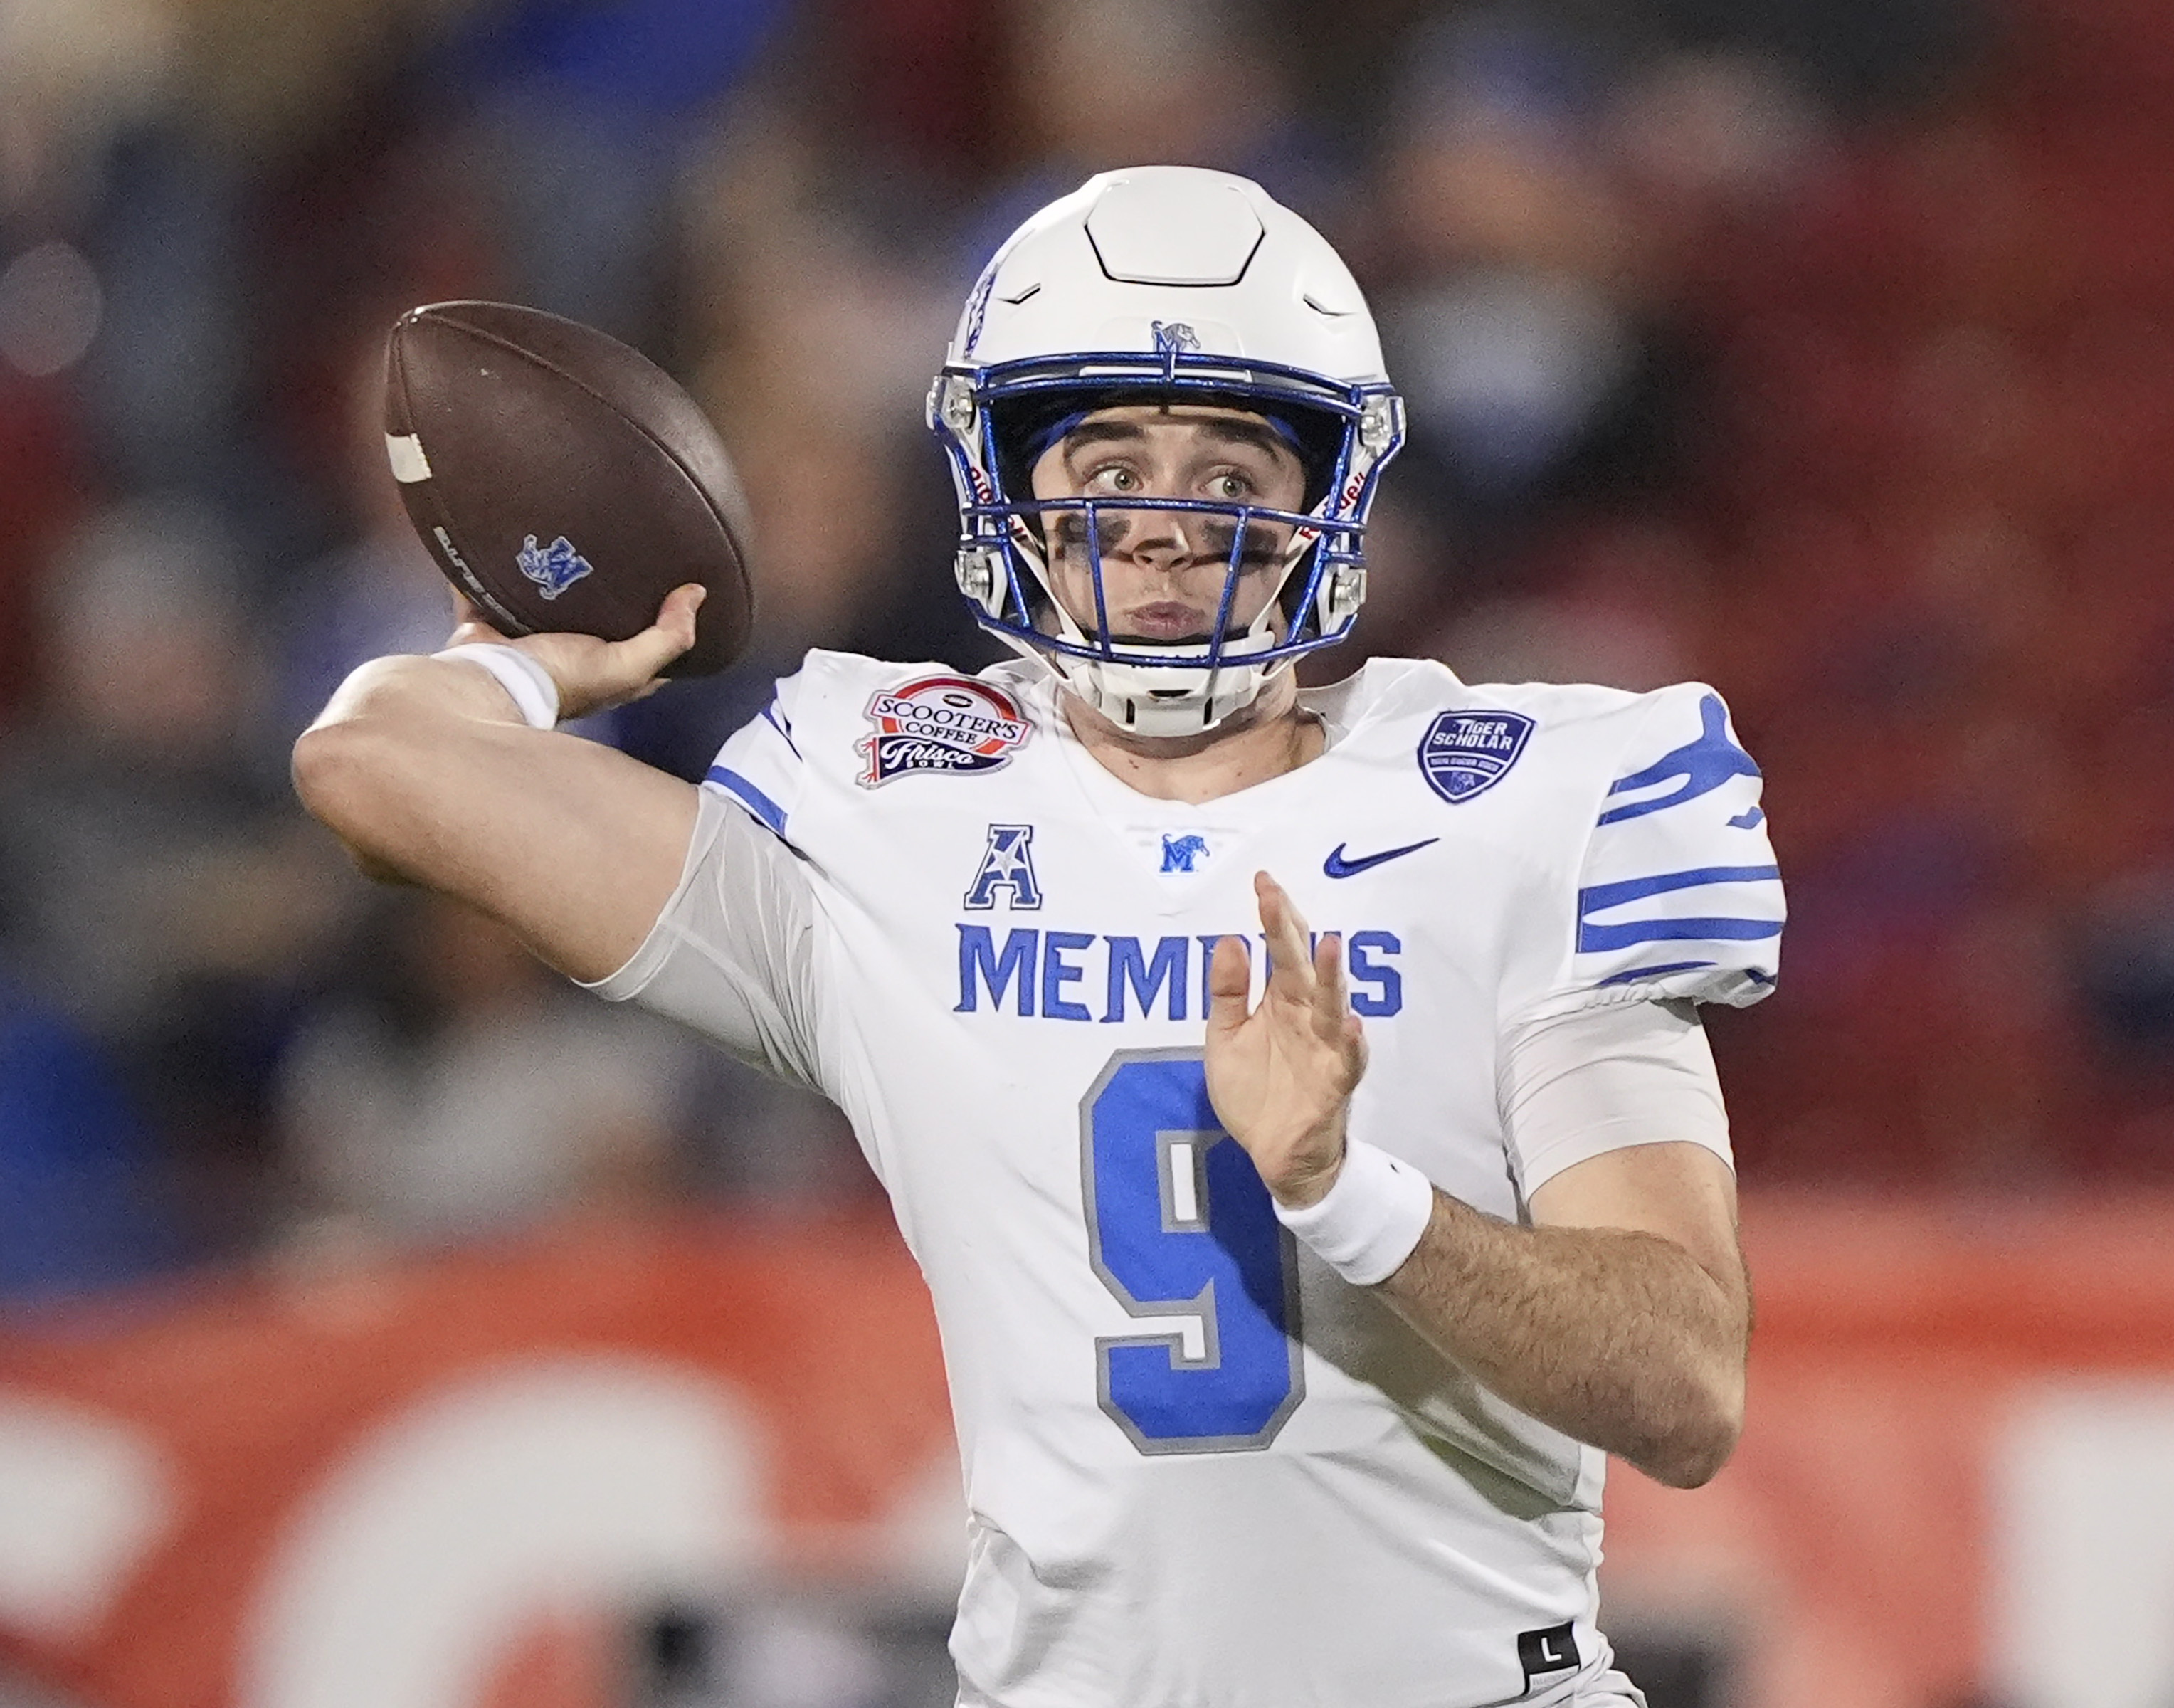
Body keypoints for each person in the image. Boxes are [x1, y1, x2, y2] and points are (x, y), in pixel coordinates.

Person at [294, 167, 1781, 1708]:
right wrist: (543, 662)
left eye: (1227, 471)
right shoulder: (890, 817)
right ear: (1003, 484)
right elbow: (374, 767)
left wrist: (1350, 1195)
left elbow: (1683, 1387)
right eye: (1105, 459)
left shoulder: (1524, 805)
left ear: (1327, 501)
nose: (1157, 526)